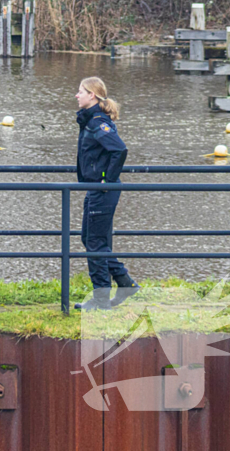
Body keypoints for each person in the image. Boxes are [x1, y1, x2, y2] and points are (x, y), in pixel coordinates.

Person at [72, 76, 139, 311]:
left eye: (80, 91)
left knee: (95, 244)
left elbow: (119, 149)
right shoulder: (91, 120)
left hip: (102, 190)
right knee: (90, 240)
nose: (77, 95)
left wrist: (106, 180)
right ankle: (124, 282)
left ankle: (101, 300)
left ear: (92, 95)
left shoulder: (98, 122)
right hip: (96, 189)